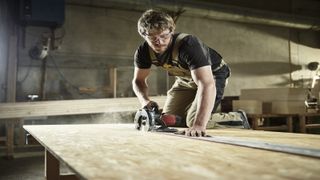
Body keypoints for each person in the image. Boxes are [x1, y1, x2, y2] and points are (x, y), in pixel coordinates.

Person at [132, 9, 250, 137]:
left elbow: (207, 84)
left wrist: (199, 125)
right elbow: (139, 80)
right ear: (144, 35)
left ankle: (238, 118)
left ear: (171, 30)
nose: (159, 41)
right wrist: (144, 101)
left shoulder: (188, 45)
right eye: (153, 37)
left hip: (212, 76)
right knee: (167, 120)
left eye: (164, 36)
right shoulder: (143, 51)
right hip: (185, 80)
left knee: (193, 121)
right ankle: (191, 120)